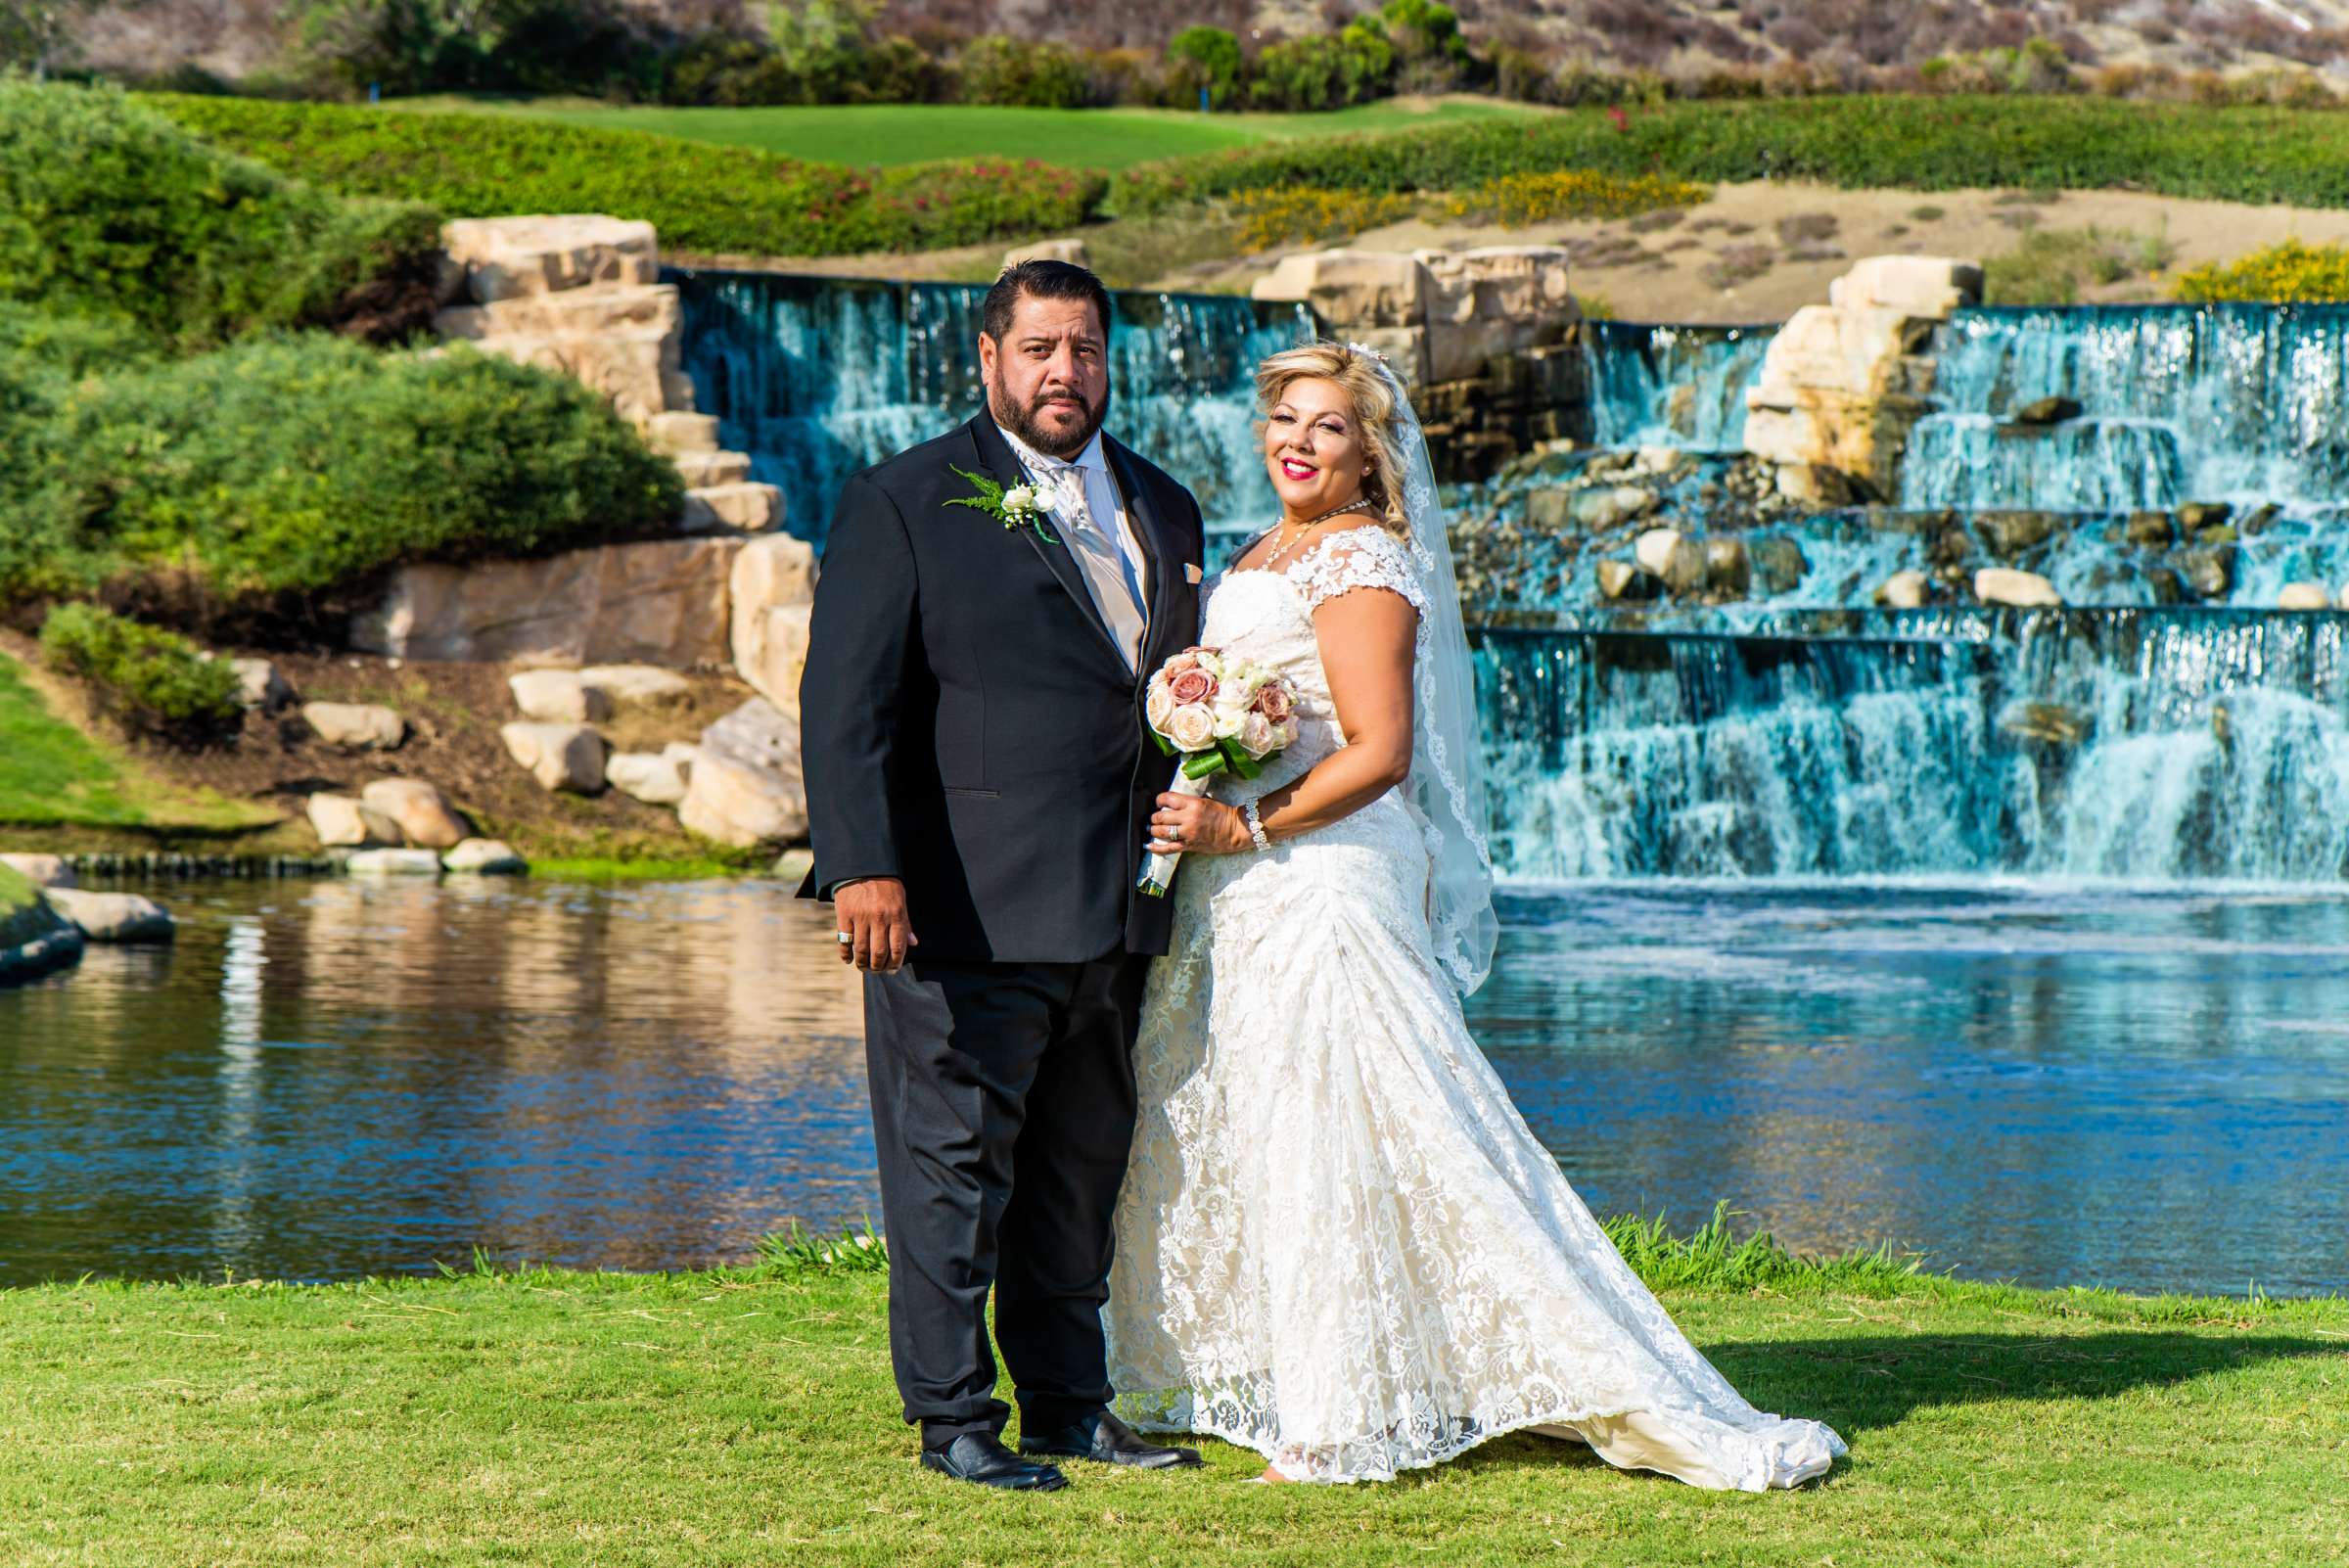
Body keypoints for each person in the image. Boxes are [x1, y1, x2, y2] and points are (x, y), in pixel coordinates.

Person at [1105, 340, 1849, 1490]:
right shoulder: (1268, 547)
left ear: (1370, 452)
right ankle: (1309, 1376)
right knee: (1273, 1125)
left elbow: (1384, 752)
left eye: (1329, 427)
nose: (1298, 442)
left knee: (1347, 1125)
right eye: (1285, 420)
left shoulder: (1360, 560)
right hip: (1243, 884)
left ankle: (1346, 1416)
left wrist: (1242, 826)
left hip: (1319, 876)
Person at [799, 259, 1208, 1492]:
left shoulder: (1167, 505)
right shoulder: (907, 499)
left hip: (1122, 908)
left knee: (1079, 1175)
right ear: (988, 359)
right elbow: (844, 702)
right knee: (953, 1173)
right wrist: (862, 867)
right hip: (959, 907)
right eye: (1038, 349)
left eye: (1083, 349)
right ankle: (954, 1421)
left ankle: (1072, 1409)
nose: (1062, 373)